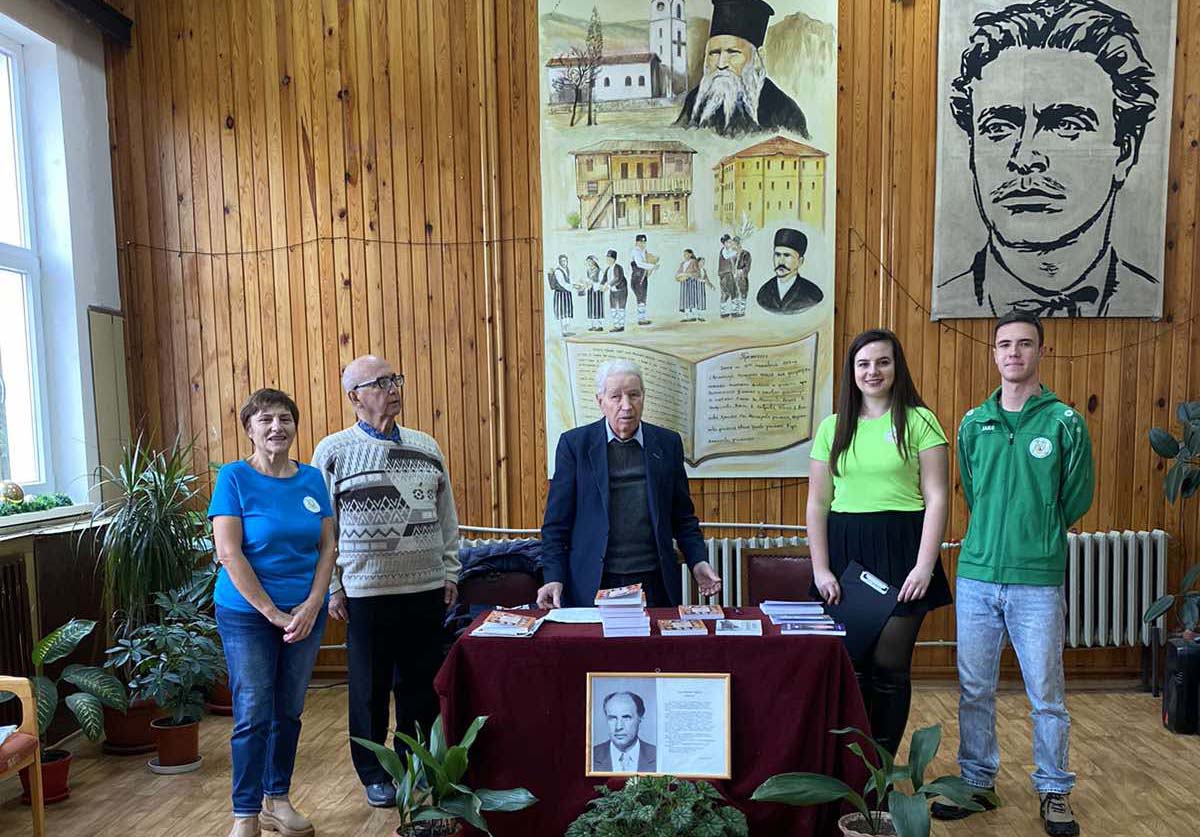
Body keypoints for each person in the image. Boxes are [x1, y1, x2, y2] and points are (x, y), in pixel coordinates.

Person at [931, 311, 1093, 837]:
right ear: (994, 353)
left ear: (1042, 352)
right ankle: (977, 783)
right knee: (974, 689)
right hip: (977, 576)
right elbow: (972, 488)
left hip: (1037, 580)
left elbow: (1076, 496)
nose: (1014, 353)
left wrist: (1037, 530)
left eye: (1025, 344)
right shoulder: (973, 424)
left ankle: (1054, 790)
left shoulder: (1064, 422)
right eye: (1005, 345)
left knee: (1046, 693)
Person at [936, 0, 1159, 317]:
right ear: (972, 148)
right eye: (998, 128)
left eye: (1066, 125)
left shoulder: (1149, 296)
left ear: (1124, 151)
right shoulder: (949, 296)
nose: (1024, 157)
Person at [311, 355, 461, 810]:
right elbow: (322, 528)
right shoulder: (333, 451)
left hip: (425, 587)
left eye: (395, 379)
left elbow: (446, 516)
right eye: (380, 383)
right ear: (354, 397)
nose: (393, 388)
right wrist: (333, 587)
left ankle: (412, 764)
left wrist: (450, 571)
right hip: (365, 593)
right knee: (368, 689)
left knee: (419, 687)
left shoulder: (426, 445)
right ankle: (374, 773)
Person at [807, 330, 952, 756]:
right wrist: (820, 569)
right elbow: (817, 503)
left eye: (883, 362)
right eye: (864, 364)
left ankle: (882, 769)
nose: (873, 371)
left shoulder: (920, 421)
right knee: (851, 666)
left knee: (889, 666)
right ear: (852, 372)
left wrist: (924, 566)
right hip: (846, 555)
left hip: (903, 551)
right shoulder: (832, 427)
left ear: (896, 367)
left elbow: (937, 497)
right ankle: (853, 768)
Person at [210, 388, 338, 837]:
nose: (276, 427)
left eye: (284, 418)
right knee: (253, 712)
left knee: (289, 710)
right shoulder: (234, 478)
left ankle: (277, 800)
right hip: (247, 614)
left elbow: (327, 547)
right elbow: (229, 553)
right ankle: (245, 814)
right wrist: (272, 612)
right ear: (249, 429)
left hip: (304, 612)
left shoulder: (312, 479)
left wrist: (313, 604)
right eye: (265, 419)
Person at [537, 358, 722, 609]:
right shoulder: (575, 445)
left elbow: (683, 519)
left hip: (653, 580)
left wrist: (698, 561)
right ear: (600, 401)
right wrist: (553, 577)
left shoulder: (667, 444)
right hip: (592, 581)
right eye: (615, 397)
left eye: (634, 395)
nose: (626, 406)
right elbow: (556, 525)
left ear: (643, 397)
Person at [675, 0, 809, 139]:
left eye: (732, 52)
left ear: (758, 57)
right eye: (714, 53)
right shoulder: (694, 101)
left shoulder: (784, 110)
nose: (721, 64)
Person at [757, 227, 823, 314]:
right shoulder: (764, 292)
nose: (781, 261)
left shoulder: (813, 294)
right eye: (777, 255)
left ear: (800, 261)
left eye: (787, 255)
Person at [591, 692, 657, 773]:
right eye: (612, 718)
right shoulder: (590, 756)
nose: (618, 727)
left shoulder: (658, 756)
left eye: (626, 718)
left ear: (640, 719)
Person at [629, 234, 658, 326]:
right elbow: (639, 264)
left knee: (643, 297)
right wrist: (652, 266)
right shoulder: (636, 251)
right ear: (637, 242)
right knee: (641, 298)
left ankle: (642, 318)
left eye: (644, 242)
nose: (642, 244)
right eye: (640, 242)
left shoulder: (644, 251)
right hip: (638, 277)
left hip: (643, 276)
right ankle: (641, 319)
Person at [548, 254, 575, 337]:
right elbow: (562, 283)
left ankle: (566, 330)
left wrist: (573, 285)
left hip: (566, 293)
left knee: (567, 312)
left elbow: (569, 281)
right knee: (563, 312)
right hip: (561, 294)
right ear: (559, 261)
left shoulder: (567, 269)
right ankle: (564, 331)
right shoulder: (558, 271)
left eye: (565, 261)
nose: (564, 262)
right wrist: (573, 286)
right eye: (562, 261)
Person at [675, 248, 703, 322]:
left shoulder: (693, 262)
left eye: (686, 254)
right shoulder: (682, 263)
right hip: (684, 283)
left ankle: (693, 315)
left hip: (692, 282)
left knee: (692, 298)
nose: (685, 256)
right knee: (685, 299)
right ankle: (686, 316)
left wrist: (689, 275)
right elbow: (678, 272)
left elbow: (698, 273)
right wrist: (679, 275)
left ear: (690, 254)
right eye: (684, 254)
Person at [604, 249, 628, 332]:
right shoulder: (608, 269)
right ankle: (616, 325)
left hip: (621, 290)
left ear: (614, 259)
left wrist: (608, 285)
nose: (608, 260)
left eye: (610, 259)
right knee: (613, 309)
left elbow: (617, 278)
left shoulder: (618, 267)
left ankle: (620, 326)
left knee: (621, 309)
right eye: (607, 258)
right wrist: (601, 285)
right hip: (612, 291)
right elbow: (604, 278)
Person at [731, 236, 752, 317]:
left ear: (738, 244)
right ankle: (735, 311)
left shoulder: (746, 254)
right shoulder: (733, 255)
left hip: (742, 278)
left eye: (733, 244)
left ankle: (741, 312)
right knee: (734, 294)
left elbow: (747, 267)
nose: (732, 246)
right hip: (734, 278)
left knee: (743, 294)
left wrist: (740, 272)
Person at [718, 234, 738, 318]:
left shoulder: (730, 250)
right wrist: (735, 252)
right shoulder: (723, 251)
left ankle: (734, 311)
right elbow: (727, 256)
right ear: (725, 243)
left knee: (734, 292)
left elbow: (733, 263)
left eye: (730, 242)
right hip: (724, 274)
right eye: (729, 242)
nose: (730, 243)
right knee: (726, 293)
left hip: (730, 274)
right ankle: (723, 312)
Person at [586, 256, 606, 332]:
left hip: (597, 291)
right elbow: (588, 280)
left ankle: (600, 325)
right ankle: (593, 325)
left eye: (590, 261)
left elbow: (602, 282)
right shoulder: (588, 271)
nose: (589, 263)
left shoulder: (599, 271)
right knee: (591, 308)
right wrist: (587, 283)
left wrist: (593, 284)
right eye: (588, 262)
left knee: (598, 307)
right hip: (590, 291)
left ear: (594, 262)